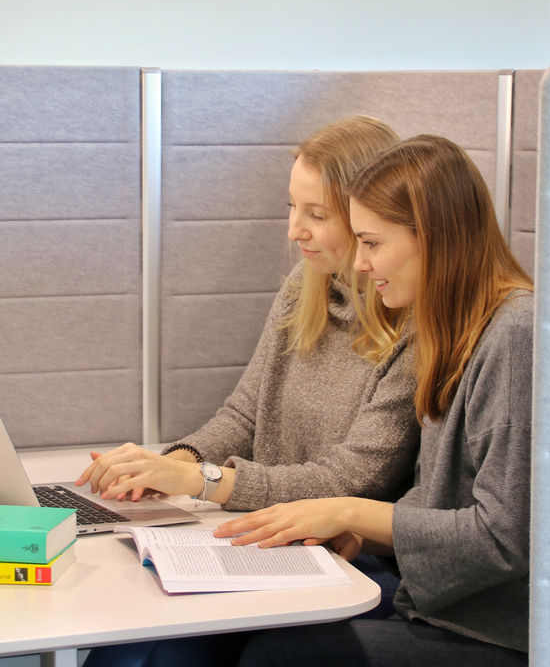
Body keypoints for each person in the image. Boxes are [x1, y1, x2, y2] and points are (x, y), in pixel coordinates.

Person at [78, 118, 419, 667]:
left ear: (367, 219)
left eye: (316, 214)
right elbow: (244, 413)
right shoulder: (303, 288)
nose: (293, 230)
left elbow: (353, 480)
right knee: (126, 646)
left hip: (343, 560)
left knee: (166, 657)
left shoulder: (415, 329)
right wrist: (173, 465)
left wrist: (203, 481)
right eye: (292, 207)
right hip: (263, 538)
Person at [214, 135, 535, 666]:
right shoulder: (454, 327)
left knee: (279, 656)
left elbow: (500, 539)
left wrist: (351, 512)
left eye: (373, 243)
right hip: (434, 606)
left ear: (432, 239)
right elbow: (437, 509)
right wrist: (357, 530)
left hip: (492, 633)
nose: (360, 265)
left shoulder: (515, 335)